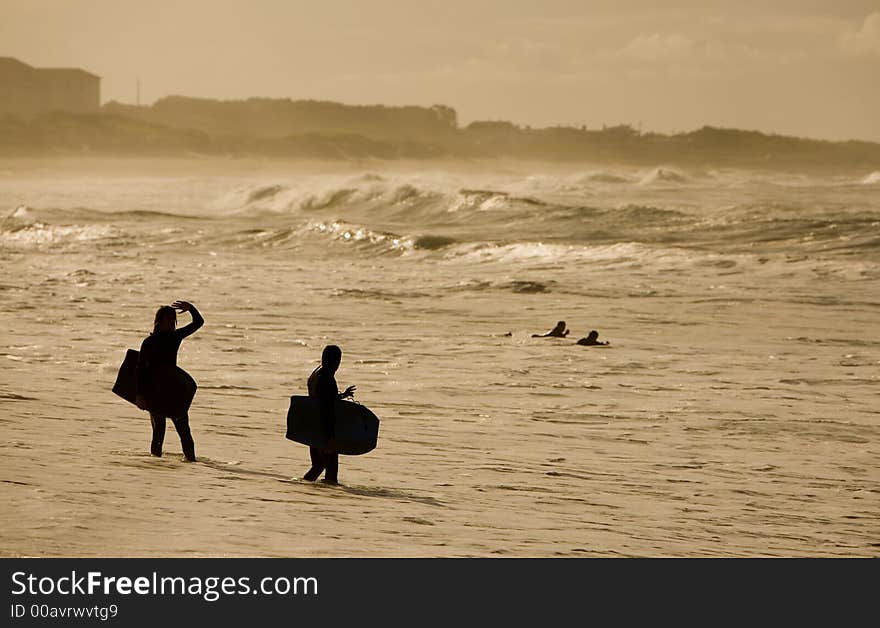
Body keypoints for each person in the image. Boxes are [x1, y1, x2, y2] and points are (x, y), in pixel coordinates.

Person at [135, 301, 204, 462]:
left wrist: (191, 308)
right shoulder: (149, 342)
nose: (172, 323)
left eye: (173, 320)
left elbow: (198, 323)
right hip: (155, 391)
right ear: (159, 322)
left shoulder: (175, 337)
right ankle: (155, 465)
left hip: (173, 391)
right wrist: (139, 394)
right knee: (158, 433)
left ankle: (192, 463)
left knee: (184, 431)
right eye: (168, 319)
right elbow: (140, 370)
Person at [303, 345, 356, 484]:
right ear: (336, 361)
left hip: (312, 429)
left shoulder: (316, 375)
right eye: (338, 361)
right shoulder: (327, 379)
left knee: (318, 466)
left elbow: (322, 399)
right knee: (331, 475)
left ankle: (302, 489)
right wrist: (331, 438)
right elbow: (327, 410)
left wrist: (342, 395)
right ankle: (328, 503)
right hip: (323, 431)